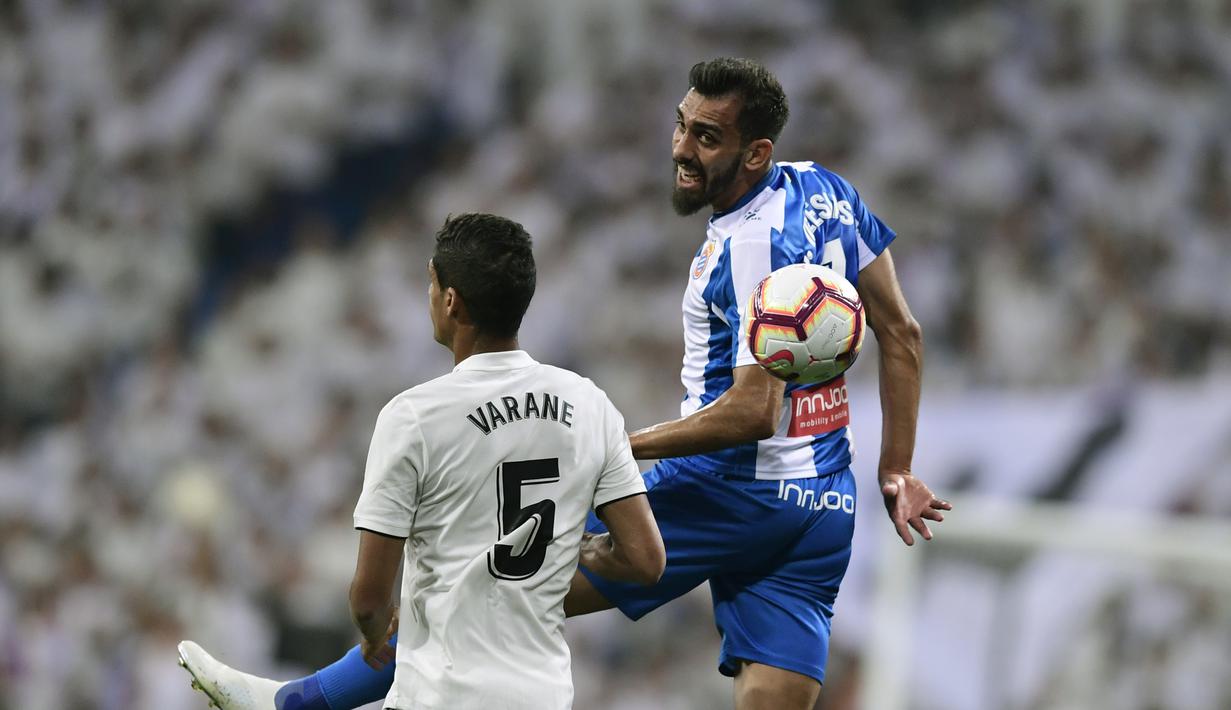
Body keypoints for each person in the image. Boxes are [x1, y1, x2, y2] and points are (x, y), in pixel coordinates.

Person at [179, 57, 949, 710]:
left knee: (478, 589)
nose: (680, 147)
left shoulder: (751, 246)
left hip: (726, 489)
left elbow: (752, 411)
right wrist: (896, 468)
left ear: (755, 153)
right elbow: (901, 334)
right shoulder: (824, 190)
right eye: (681, 124)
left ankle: (288, 705)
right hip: (820, 507)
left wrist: (615, 448)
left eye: (705, 138)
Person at [177, 213, 665, 710]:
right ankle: (292, 702)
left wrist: (372, 636)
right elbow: (647, 560)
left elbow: (369, 597)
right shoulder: (590, 403)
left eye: (431, 285)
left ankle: (289, 704)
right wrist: (569, 551)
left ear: (451, 301)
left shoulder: (415, 415)